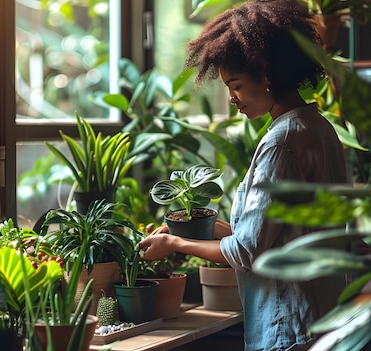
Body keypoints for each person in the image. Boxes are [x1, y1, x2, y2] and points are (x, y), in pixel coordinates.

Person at [137, 1, 349, 350]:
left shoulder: (281, 142)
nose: (231, 98)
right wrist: (195, 227)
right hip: (321, 319)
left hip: (288, 326)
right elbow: (275, 234)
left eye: (234, 84)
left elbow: (248, 251)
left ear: (266, 74)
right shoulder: (319, 129)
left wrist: (175, 244)